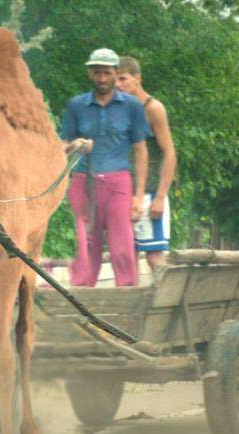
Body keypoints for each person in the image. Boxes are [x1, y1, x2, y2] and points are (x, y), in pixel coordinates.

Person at [61, 48, 150, 287]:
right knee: (84, 245)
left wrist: (139, 196)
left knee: (123, 246)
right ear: (90, 73)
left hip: (118, 183)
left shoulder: (132, 106)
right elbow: (61, 145)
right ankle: (79, 300)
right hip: (83, 181)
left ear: (116, 73)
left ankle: (127, 300)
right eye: (97, 73)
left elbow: (141, 151)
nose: (102, 79)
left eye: (107, 73)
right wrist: (74, 146)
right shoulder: (77, 105)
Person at [117, 55, 177, 270]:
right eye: (115, 80)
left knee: (154, 257)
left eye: (123, 79)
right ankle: (132, 303)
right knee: (126, 257)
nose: (118, 85)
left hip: (150, 193)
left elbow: (169, 153)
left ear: (137, 78)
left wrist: (160, 197)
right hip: (123, 193)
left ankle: (165, 302)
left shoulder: (153, 108)